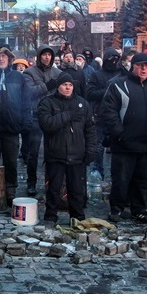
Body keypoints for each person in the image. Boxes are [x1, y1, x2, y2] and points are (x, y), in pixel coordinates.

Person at [100, 53, 147, 225]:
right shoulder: (118, 85)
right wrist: (120, 134)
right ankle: (116, 209)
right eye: (140, 65)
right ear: (133, 66)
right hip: (124, 145)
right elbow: (108, 112)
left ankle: (139, 210)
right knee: (121, 179)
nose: (143, 69)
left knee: (143, 181)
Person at [37, 72, 97, 226]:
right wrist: (68, 115)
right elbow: (47, 124)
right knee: (53, 188)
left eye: (70, 85)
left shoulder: (82, 104)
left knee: (76, 189)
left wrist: (91, 150)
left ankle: (77, 216)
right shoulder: (48, 103)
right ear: (58, 87)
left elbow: (90, 129)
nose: (68, 87)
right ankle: (51, 214)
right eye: (65, 85)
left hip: (77, 154)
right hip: (56, 153)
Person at [0, 44, 31, 207]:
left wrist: (25, 121)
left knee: (11, 162)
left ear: (10, 60)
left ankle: (10, 193)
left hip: (11, 127)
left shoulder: (18, 77)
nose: (1, 59)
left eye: (4, 56)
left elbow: (26, 101)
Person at [22, 44, 61, 196]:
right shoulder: (29, 72)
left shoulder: (57, 72)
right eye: (44, 55)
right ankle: (31, 183)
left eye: (49, 55)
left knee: (52, 152)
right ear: (39, 56)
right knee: (33, 153)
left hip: (53, 117)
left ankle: (50, 182)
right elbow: (29, 93)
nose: (47, 57)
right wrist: (47, 86)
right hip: (36, 116)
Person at [87, 49, 127, 178]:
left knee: (119, 145)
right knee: (98, 146)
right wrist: (109, 91)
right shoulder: (97, 75)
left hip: (120, 115)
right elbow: (90, 93)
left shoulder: (123, 73)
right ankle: (98, 172)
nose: (114, 61)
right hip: (101, 115)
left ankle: (119, 174)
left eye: (116, 58)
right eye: (111, 58)